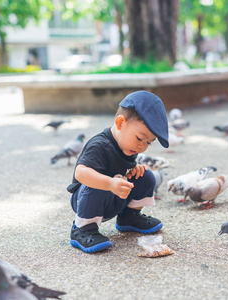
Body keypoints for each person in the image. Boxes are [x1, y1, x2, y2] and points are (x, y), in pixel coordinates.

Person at [67, 91, 169, 253]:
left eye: (149, 142)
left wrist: (133, 168)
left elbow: (124, 164)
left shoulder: (128, 146)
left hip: (115, 197)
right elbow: (81, 173)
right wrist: (108, 183)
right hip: (87, 201)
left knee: (147, 176)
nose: (142, 146)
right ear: (121, 123)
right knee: (96, 184)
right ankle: (83, 229)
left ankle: (129, 217)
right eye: (139, 138)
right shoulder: (99, 145)